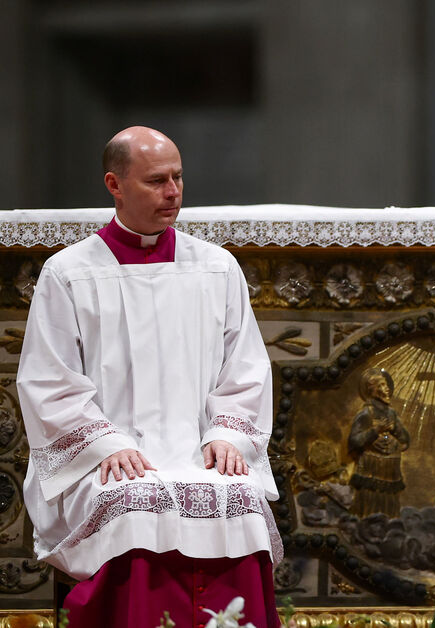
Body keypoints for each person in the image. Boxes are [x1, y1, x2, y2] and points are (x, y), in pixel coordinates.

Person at [18, 127, 282, 627]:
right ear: (114, 185)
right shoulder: (69, 272)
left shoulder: (216, 267)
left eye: (178, 178)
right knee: (134, 506)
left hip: (199, 449)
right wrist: (105, 444)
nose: (173, 192)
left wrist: (227, 434)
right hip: (106, 458)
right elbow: (49, 382)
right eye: (157, 181)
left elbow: (245, 367)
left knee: (242, 501)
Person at [349, 368, 410, 516]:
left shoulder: (391, 413)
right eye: (381, 385)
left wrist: (394, 429)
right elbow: (354, 441)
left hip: (390, 470)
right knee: (370, 504)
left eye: (386, 385)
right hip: (371, 469)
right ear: (372, 390)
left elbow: (405, 440)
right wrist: (375, 431)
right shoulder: (366, 413)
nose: (386, 389)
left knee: (389, 507)